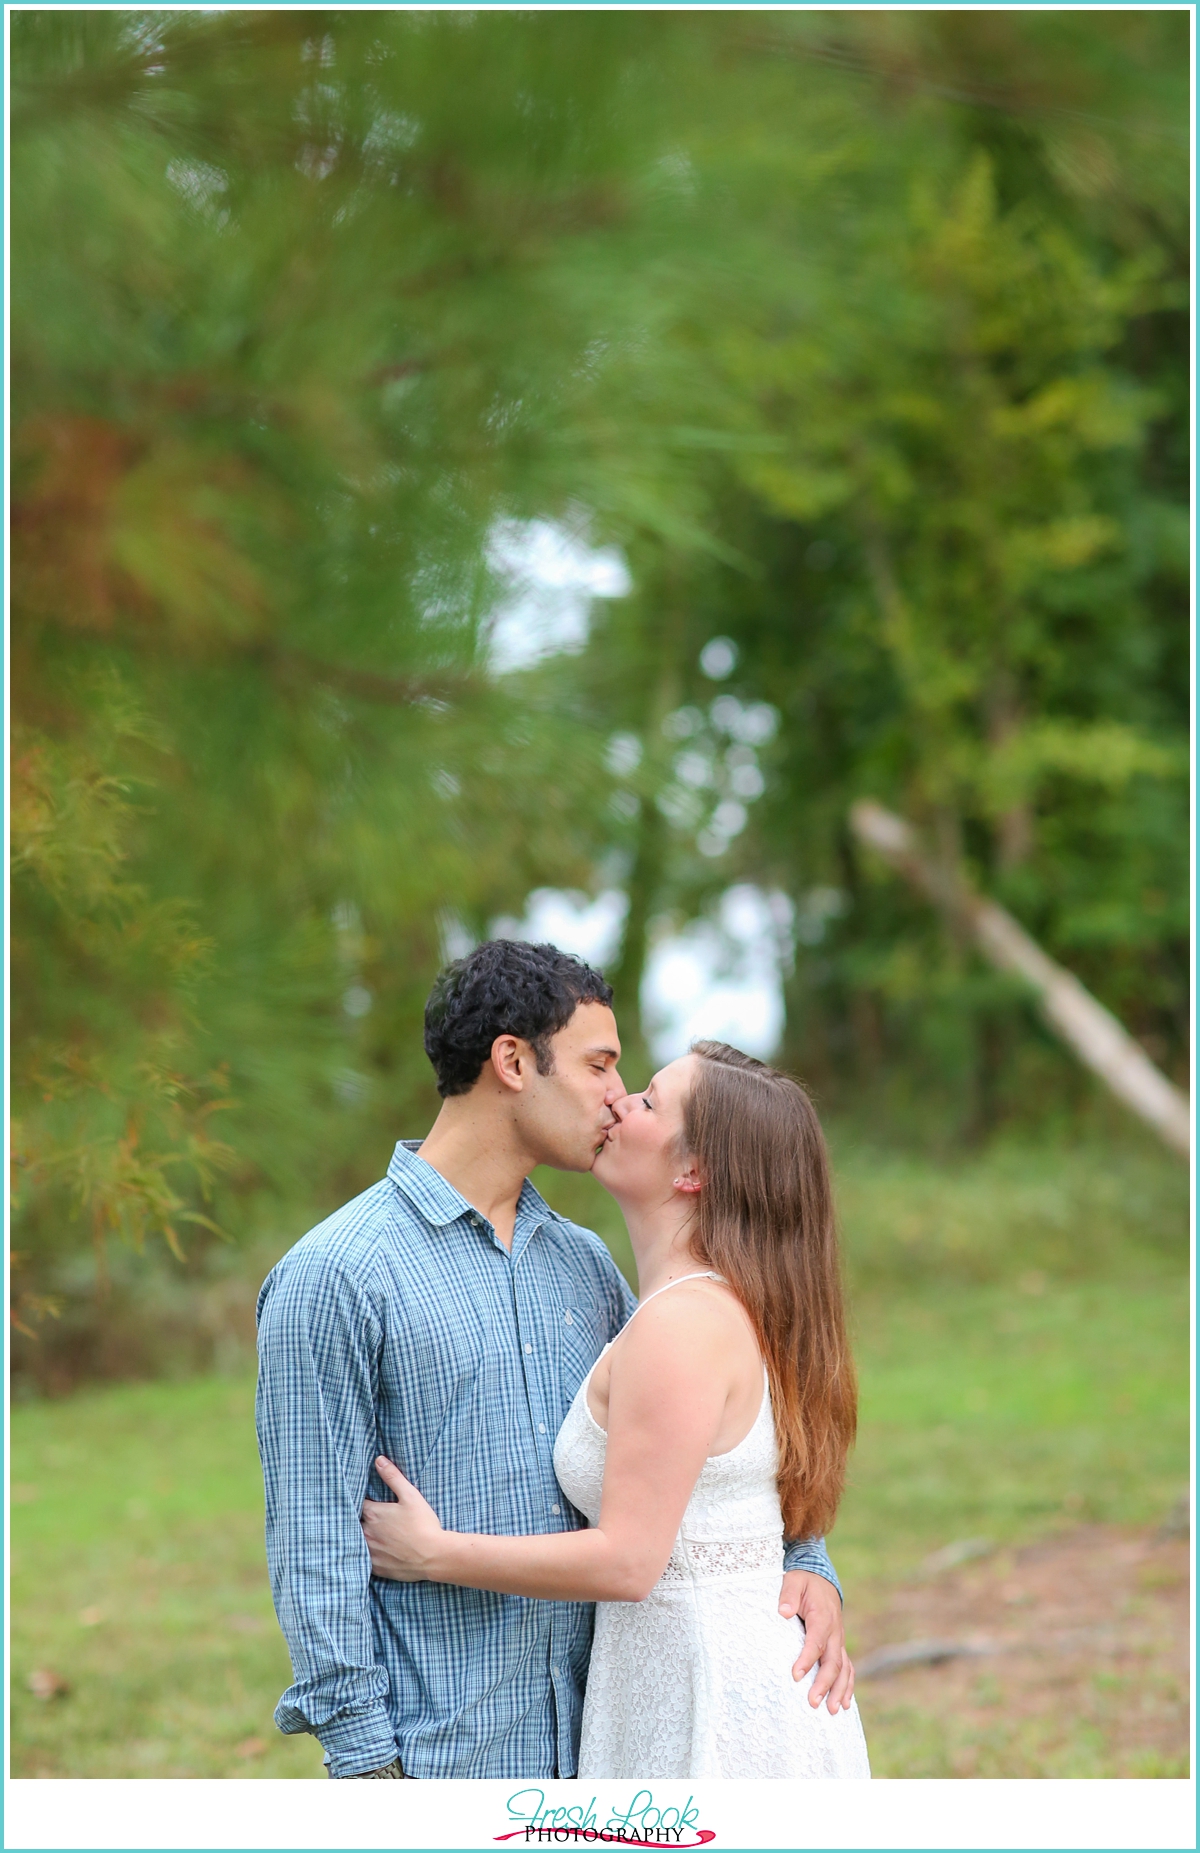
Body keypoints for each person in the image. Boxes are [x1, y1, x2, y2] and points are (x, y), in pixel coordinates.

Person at [255, 941, 850, 1780]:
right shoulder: (337, 1276)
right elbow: (314, 1543)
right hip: (446, 1756)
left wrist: (806, 1562)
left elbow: (714, 1462)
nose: (617, 1095)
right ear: (512, 1061)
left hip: (613, 1743)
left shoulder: (586, 1266)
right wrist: (368, 1765)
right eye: (601, 1065)